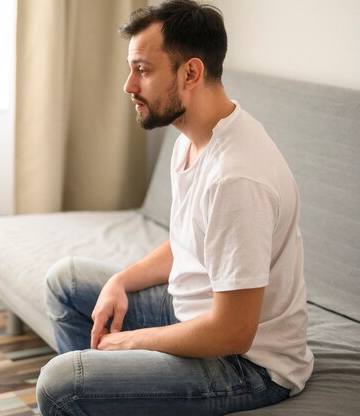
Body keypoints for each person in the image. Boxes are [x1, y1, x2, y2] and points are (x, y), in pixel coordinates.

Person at [36, 1, 314, 415]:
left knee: (61, 385)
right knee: (67, 281)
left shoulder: (237, 176)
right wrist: (120, 281)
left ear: (191, 73)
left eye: (143, 71)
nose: (128, 86)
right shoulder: (190, 137)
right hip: (192, 311)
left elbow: (233, 332)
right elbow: (188, 241)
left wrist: (129, 344)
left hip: (247, 364)